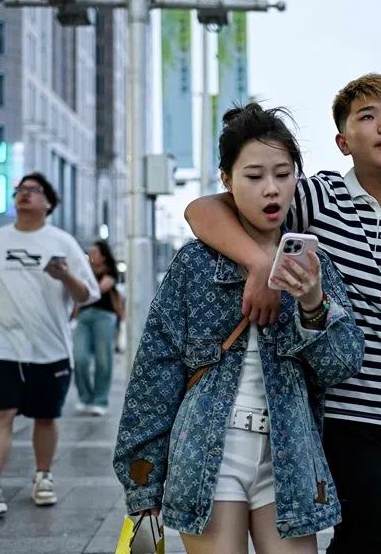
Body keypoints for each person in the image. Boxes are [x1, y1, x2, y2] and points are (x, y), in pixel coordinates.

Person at [185, 75, 381, 553]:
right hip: (341, 408)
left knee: (359, 538)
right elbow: (202, 209)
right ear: (343, 142)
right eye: (367, 117)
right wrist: (259, 261)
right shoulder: (316, 198)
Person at [114, 103, 364, 554]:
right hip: (208, 445)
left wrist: (312, 303)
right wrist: (141, 480)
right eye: (253, 176)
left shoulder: (314, 266)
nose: (271, 189)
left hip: (289, 454)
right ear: (226, 181)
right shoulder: (195, 263)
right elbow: (156, 370)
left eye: (283, 174)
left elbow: (342, 365)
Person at [0, 173, 100, 517]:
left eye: (33, 190)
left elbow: (89, 293)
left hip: (50, 348)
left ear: (48, 203)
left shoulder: (61, 242)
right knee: (0, 412)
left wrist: (64, 276)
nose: (24, 194)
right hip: (3, 346)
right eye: (20, 190)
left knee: (45, 417)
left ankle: (43, 477)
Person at [73, 240, 121, 416]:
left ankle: (100, 400)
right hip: (84, 316)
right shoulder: (84, 271)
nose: (91, 256)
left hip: (104, 316)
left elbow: (96, 291)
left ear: (103, 255)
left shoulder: (110, 272)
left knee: (103, 359)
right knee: (80, 357)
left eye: (94, 252)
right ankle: (84, 397)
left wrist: (82, 285)